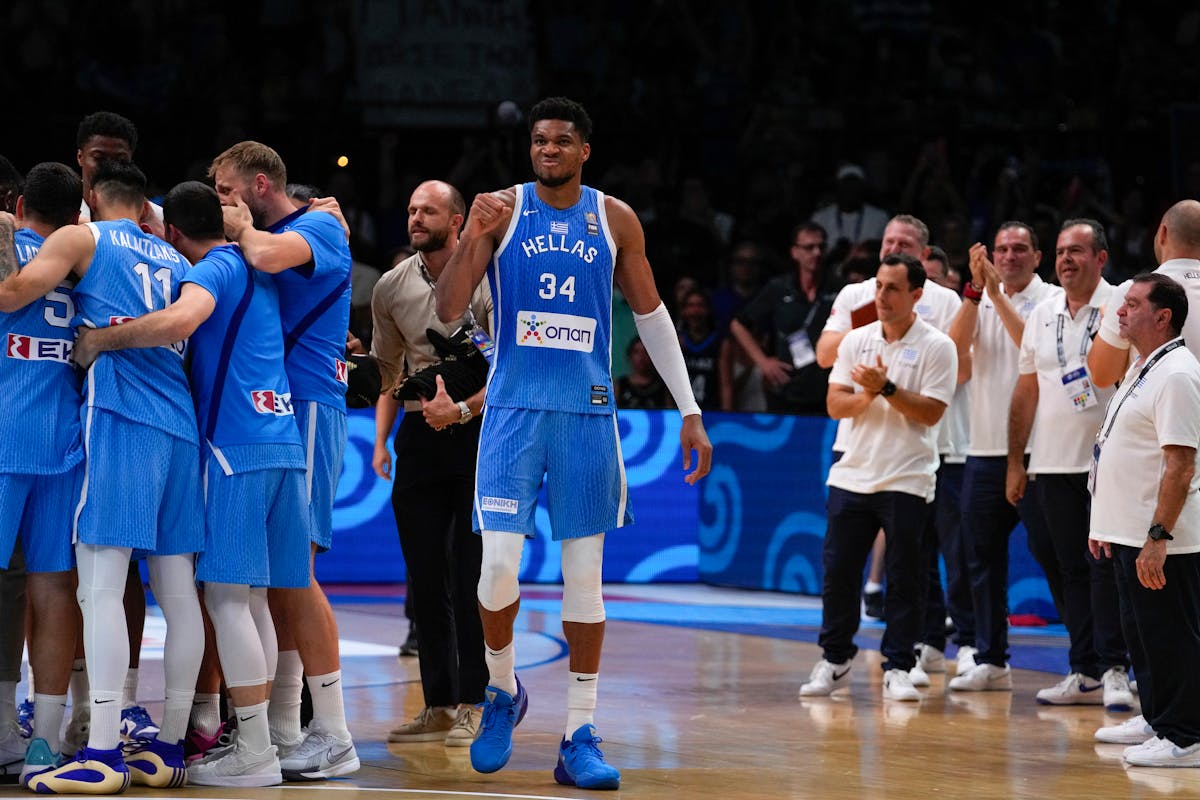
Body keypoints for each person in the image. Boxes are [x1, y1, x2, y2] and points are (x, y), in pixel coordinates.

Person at [435, 96, 712, 790]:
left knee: (584, 579)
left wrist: (690, 408)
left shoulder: (615, 218)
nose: (548, 151)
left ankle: (579, 732)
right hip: (511, 409)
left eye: (561, 142)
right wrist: (472, 236)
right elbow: (446, 311)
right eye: (539, 142)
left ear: (585, 149)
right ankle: (501, 690)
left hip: (588, 413)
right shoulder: (500, 210)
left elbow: (650, 315)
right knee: (496, 570)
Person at [70, 180, 322, 787]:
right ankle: (265, 735)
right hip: (281, 437)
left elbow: (181, 318)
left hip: (232, 446)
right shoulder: (258, 262)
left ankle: (253, 749)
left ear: (176, 233)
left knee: (225, 602)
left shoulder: (210, 270)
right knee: (247, 599)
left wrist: (101, 338)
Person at [0, 160, 205, 793]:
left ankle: (96, 748)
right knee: (120, 592)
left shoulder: (72, 244)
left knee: (96, 590)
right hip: (115, 435)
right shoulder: (178, 261)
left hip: (60, 428)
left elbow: (11, 294)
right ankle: (59, 742)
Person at [210, 141, 357, 781]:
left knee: (298, 575)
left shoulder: (318, 223)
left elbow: (266, 255)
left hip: (311, 404)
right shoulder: (300, 222)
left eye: (226, 192)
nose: (221, 205)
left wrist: (242, 229)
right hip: (277, 410)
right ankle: (288, 729)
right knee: (279, 581)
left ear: (260, 185)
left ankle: (334, 733)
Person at [799, 253, 957, 701]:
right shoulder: (855, 341)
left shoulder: (937, 346)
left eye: (892, 288)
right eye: (878, 286)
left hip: (907, 477)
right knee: (839, 573)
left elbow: (931, 413)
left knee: (906, 577)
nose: (881, 296)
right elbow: (835, 405)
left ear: (916, 295)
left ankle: (899, 666)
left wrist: (886, 389)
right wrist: (869, 392)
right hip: (852, 474)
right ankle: (835, 658)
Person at [371, 180, 491, 747]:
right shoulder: (391, 287)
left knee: (471, 577)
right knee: (424, 577)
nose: (416, 218)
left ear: (459, 219)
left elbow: (511, 369)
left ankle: (476, 702)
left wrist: (463, 410)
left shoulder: (490, 277)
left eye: (429, 210)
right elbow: (389, 377)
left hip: (479, 434)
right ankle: (439, 705)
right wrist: (382, 441)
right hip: (420, 436)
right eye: (412, 208)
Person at [1005, 219, 1131, 709]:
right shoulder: (1042, 311)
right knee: (1066, 567)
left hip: (1108, 462)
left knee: (1105, 569)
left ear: (1101, 258)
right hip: (1052, 462)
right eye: (1059, 251)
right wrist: (1017, 461)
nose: (1065, 260)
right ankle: (1086, 670)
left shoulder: (1124, 302)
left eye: (1076, 251)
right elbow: (1027, 387)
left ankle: (1117, 668)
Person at [1089, 273, 1200, 768]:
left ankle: (1186, 735)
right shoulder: (1141, 368)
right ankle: (1160, 718)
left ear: (1162, 317)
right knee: (1143, 635)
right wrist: (1106, 524)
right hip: (1127, 531)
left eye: (1131, 304)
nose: (1119, 311)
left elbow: (1180, 463)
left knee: (1170, 635)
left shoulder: (1177, 374)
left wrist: (1158, 536)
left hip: (1162, 538)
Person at [947, 221, 1062, 692]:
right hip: (983, 449)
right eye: (1001, 249)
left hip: (1042, 452)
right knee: (980, 558)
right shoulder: (976, 298)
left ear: (1037, 256)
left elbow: (1031, 350)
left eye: (1019, 249)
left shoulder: (1053, 300)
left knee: (1058, 558)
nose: (1009, 256)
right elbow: (952, 357)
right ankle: (991, 657)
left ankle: (1092, 664)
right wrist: (975, 293)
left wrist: (994, 294)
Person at [0, 163, 84, 784]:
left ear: (20, 203)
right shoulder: (86, 263)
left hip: (6, 438)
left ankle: (7, 727)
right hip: (65, 446)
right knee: (55, 592)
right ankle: (41, 742)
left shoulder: (10, 252)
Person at [1089, 199, 1200, 387]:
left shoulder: (1132, 292)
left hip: (1162, 413)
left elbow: (1101, 376)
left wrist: (1105, 324)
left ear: (1163, 233)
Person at [729, 221, 836, 414]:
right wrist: (763, 362)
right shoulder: (779, 288)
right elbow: (738, 325)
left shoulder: (839, 288)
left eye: (821, 246)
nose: (817, 253)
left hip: (827, 391)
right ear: (795, 252)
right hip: (787, 391)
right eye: (809, 247)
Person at [809, 164, 889, 255]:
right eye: (846, 185)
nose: (850, 190)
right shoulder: (820, 218)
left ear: (862, 188)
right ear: (838, 188)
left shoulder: (880, 218)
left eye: (854, 185)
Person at [677, 289, 731, 410]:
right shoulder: (677, 341)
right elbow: (670, 383)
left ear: (708, 310)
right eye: (691, 306)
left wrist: (727, 416)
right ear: (684, 311)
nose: (695, 311)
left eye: (700, 305)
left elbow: (726, 385)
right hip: (682, 413)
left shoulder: (721, 342)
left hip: (712, 411)